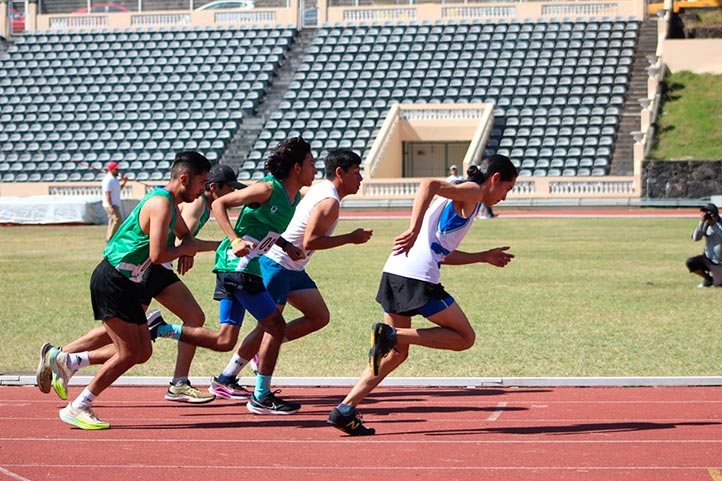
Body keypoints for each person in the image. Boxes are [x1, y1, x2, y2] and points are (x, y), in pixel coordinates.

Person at [327, 155, 518, 436]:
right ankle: (390, 335)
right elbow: (427, 183)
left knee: (396, 355)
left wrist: (482, 257)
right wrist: (414, 228)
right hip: (417, 278)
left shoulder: (460, 191)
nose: (504, 197)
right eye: (507, 189)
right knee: (464, 338)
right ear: (495, 179)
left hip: (395, 272)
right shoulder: (474, 192)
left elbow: (442, 253)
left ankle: (345, 409)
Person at [36, 161, 246, 404]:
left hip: (151, 268)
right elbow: (183, 242)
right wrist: (221, 244)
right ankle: (178, 382)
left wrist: (190, 248)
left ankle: (63, 356)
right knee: (179, 323)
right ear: (213, 187)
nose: (233, 194)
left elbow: (184, 240)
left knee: (126, 335)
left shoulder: (197, 203)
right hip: (152, 269)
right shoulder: (197, 204)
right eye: (229, 188)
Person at [151, 137, 316, 415]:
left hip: (242, 267)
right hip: (236, 266)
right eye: (311, 163)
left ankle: (160, 329)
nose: (315, 169)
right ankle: (261, 395)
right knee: (274, 325)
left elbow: (266, 229)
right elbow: (218, 205)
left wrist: (287, 247)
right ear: (297, 167)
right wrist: (235, 239)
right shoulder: (266, 188)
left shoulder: (294, 197)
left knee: (225, 340)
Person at [49, 151, 212, 430]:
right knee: (127, 353)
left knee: (142, 352)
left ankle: (71, 359)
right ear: (184, 178)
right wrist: (186, 249)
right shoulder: (161, 205)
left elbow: (185, 235)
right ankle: (78, 405)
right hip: (113, 280)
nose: (203, 189)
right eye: (201, 182)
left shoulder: (170, 205)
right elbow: (159, 255)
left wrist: (190, 247)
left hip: (128, 282)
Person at [208, 149, 373, 400]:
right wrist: (351, 238)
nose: (360, 178)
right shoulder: (329, 200)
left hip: (292, 266)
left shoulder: (321, 190)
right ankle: (227, 377)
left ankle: (262, 351)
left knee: (318, 316)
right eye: (356, 172)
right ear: (340, 173)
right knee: (270, 325)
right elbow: (312, 240)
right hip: (276, 265)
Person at [686, 203, 722, 288]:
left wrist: (714, 225)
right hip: (708, 258)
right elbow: (695, 238)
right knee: (691, 262)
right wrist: (701, 222)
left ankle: (717, 278)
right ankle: (708, 279)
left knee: (719, 284)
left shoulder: (720, 224)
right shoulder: (705, 224)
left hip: (720, 262)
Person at [102, 161, 128, 243]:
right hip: (111, 204)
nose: (117, 171)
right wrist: (110, 206)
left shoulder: (115, 179)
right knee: (118, 219)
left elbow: (118, 189)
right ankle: (110, 238)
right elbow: (107, 193)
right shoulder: (108, 180)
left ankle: (109, 237)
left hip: (115, 203)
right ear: (111, 170)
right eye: (115, 169)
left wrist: (124, 182)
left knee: (112, 221)